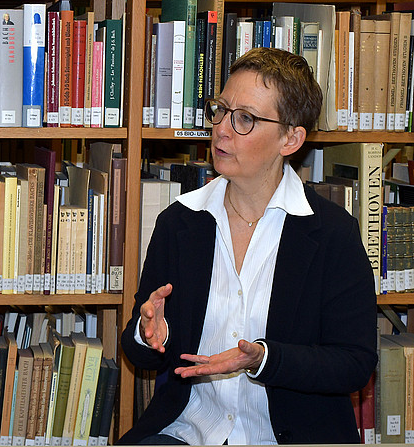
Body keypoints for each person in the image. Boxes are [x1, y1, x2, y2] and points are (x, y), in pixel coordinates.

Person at [119, 47, 378, 445]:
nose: (222, 128)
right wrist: (150, 332)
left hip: (289, 435)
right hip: (188, 432)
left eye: (245, 119)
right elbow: (141, 349)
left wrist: (264, 358)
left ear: (290, 139)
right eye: (220, 110)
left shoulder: (332, 233)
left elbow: (354, 363)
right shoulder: (179, 222)